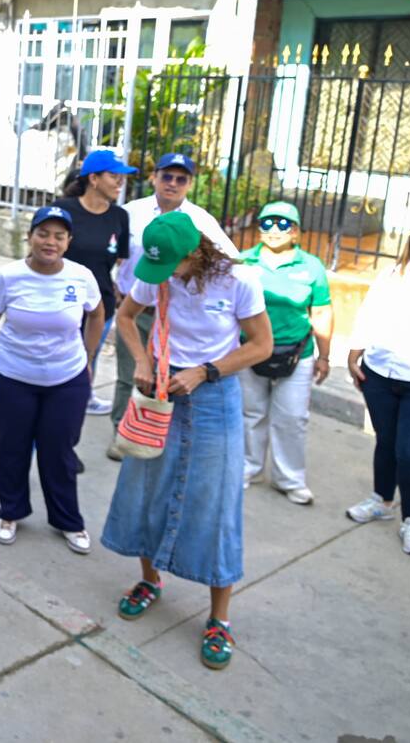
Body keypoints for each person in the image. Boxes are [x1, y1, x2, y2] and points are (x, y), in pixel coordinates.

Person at [103, 211, 272, 670]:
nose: (166, 278)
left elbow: (261, 345)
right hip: (162, 391)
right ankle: (150, 580)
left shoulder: (239, 279)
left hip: (215, 397)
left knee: (216, 505)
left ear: (196, 251)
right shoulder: (157, 271)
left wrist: (205, 371)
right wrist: (141, 358)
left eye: (173, 266)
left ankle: (220, 619)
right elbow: (125, 316)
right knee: (144, 489)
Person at [0, 205, 103, 554]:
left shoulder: (81, 276)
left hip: (67, 377)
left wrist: (88, 355)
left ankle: (68, 520)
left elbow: (97, 315)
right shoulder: (9, 276)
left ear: (68, 242)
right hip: (13, 375)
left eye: (59, 236)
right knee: (12, 448)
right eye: (43, 234)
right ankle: (11, 512)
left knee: (59, 451)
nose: (50, 241)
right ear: (30, 237)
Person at [108, 152, 239, 460]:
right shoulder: (131, 212)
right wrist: (113, 284)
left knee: (166, 379)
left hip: (177, 314)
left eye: (181, 179)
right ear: (154, 177)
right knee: (132, 373)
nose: (173, 184)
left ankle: (160, 435)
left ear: (189, 183)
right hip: (138, 304)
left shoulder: (201, 221)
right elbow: (113, 251)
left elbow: (229, 261)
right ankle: (124, 433)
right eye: (167, 176)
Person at [345, 214, 410, 557]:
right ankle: (382, 500)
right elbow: (368, 314)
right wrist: (354, 356)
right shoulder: (391, 275)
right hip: (379, 372)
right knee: (386, 442)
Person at [239, 201, 334, 505]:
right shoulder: (242, 262)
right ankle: (248, 468)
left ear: (296, 232)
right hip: (250, 350)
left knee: (292, 417)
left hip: (296, 352)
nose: (274, 229)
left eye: (283, 224)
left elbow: (321, 311)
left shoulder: (311, 266)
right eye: (267, 223)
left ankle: (289, 478)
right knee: (250, 413)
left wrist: (324, 355)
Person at [54, 149, 136, 416]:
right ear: (93, 179)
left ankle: (82, 399)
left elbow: (119, 260)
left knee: (89, 357)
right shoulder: (63, 210)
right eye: (114, 176)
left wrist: (117, 290)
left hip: (100, 305)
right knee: (56, 360)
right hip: (60, 302)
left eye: (122, 177)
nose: (119, 183)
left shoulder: (119, 217)